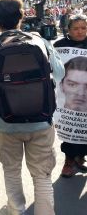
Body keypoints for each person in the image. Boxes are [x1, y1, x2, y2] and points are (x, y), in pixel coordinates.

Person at [0, 0, 64, 215]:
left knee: (11, 170)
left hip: (6, 120)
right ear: (22, 16)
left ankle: (16, 210)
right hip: (41, 118)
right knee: (42, 175)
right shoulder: (40, 42)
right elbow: (60, 73)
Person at [53, 15, 87, 177]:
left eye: (83, 28)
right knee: (70, 132)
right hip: (67, 102)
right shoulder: (60, 46)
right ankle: (69, 161)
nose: (80, 32)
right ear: (69, 30)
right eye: (76, 28)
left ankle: (81, 158)